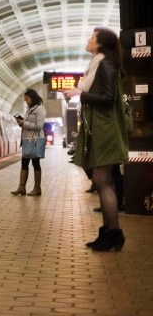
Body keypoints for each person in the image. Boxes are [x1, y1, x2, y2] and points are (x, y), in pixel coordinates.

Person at [64, 27, 129, 252]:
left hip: (106, 130)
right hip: (101, 128)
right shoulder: (97, 65)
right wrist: (78, 93)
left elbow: (109, 98)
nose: (88, 40)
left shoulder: (105, 64)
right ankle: (108, 231)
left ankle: (114, 233)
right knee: (103, 180)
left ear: (100, 44)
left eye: (92, 37)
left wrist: (79, 94)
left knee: (102, 180)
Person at [11, 89, 47, 196]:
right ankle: (21, 187)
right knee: (24, 163)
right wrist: (21, 123)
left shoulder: (40, 109)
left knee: (36, 163)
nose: (26, 101)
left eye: (27, 99)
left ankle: (37, 188)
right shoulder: (28, 109)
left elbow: (39, 126)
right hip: (27, 140)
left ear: (33, 97)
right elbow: (27, 123)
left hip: (35, 140)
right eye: (25, 99)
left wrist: (25, 123)